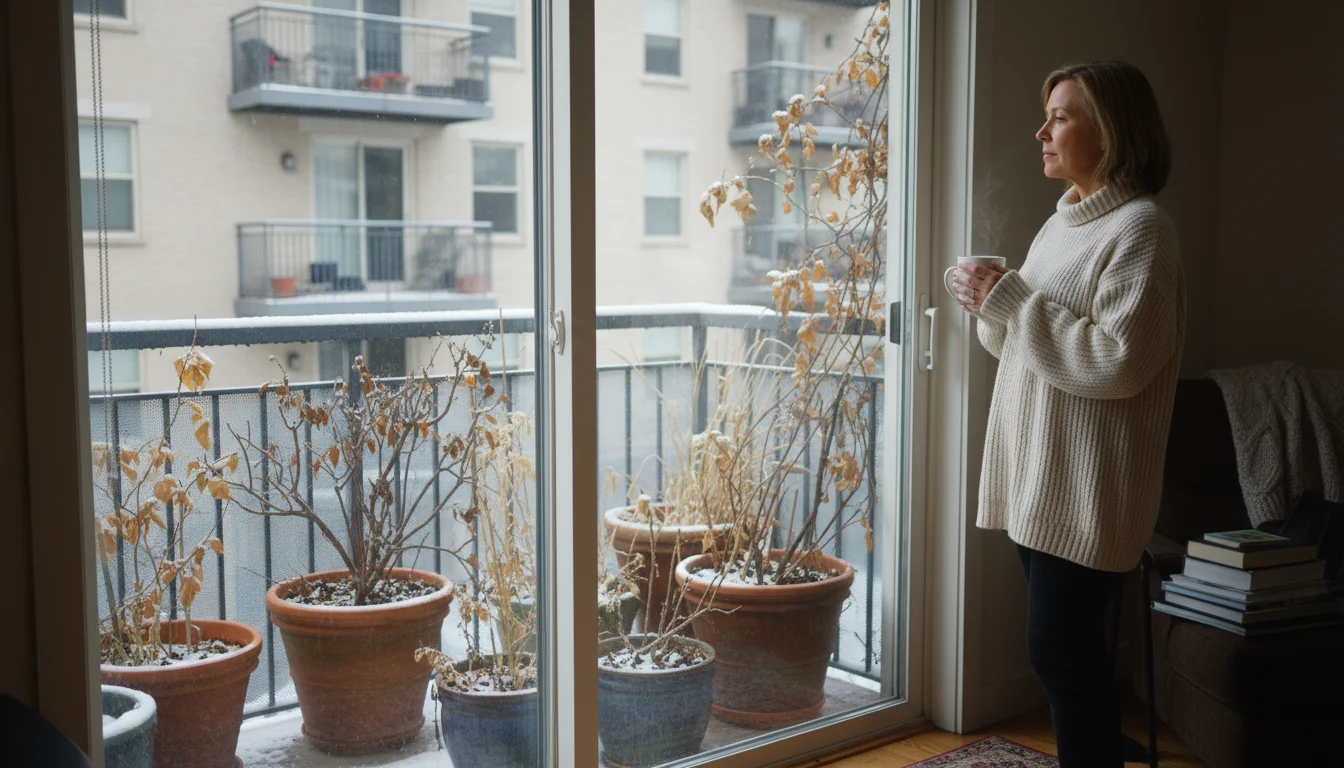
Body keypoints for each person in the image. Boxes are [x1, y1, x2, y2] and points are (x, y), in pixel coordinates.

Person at [951, 61, 1185, 767]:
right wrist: (987, 302)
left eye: (1059, 116)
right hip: (1039, 479)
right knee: (1072, 657)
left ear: (1110, 132)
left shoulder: (1142, 230)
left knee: (1060, 656)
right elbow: (1021, 345)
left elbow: (1117, 362)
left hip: (1089, 490)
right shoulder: (1062, 224)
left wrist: (1014, 301)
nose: (1041, 131)